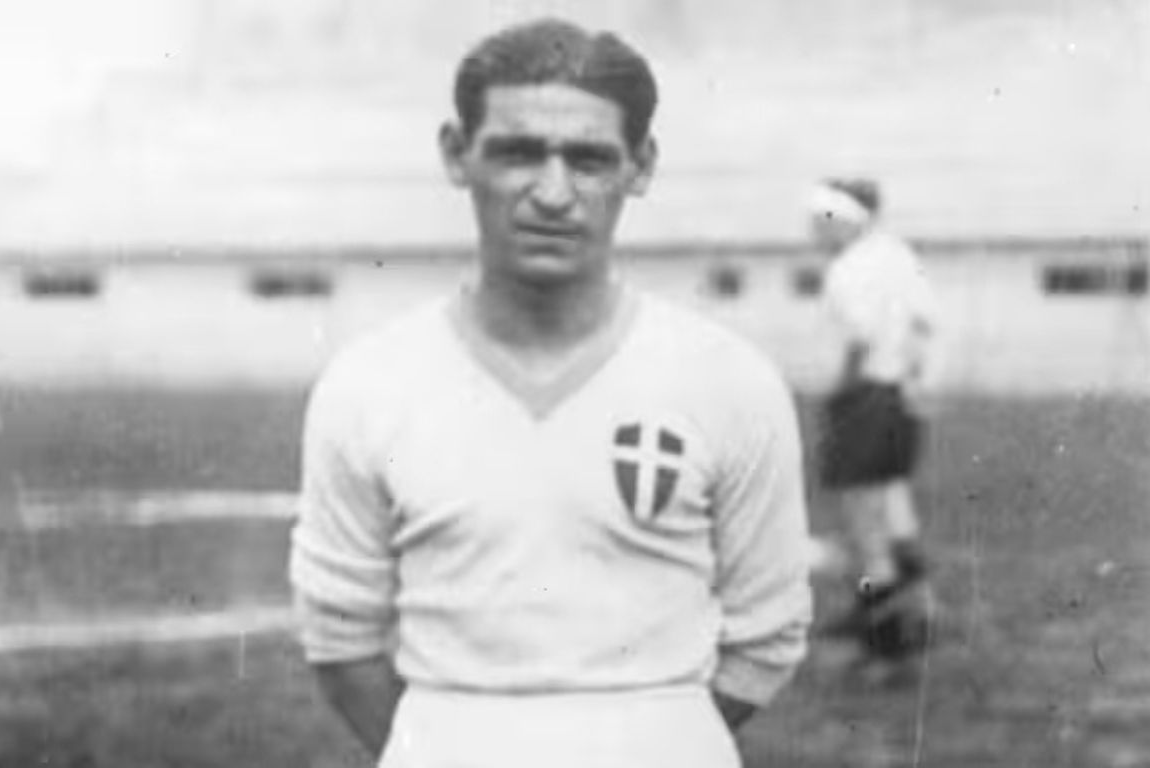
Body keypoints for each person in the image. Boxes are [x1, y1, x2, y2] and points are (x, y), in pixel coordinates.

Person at [288, 18, 813, 768]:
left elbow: (767, 637)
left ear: (641, 166)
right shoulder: (370, 383)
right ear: (456, 154)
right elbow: (340, 640)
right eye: (518, 153)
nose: (554, 193)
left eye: (590, 159)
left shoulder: (726, 380)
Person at [808, 177, 939, 669]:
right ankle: (920, 613)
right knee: (894, 508)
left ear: (843, 220)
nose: (815, 232)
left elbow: (859, 338)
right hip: (901, 397)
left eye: (821, 221)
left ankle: (883, 636)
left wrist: (839, 392)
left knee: (865, 522)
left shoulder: (847, 269)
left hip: (864, 397)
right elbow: (924, 325)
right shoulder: (898, 256)